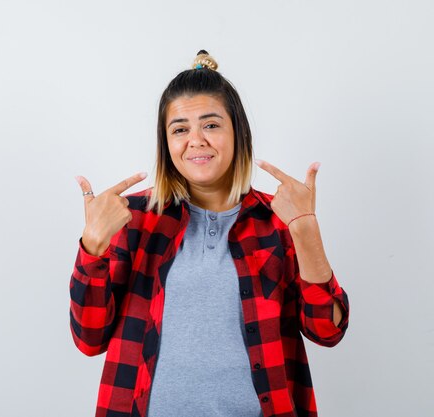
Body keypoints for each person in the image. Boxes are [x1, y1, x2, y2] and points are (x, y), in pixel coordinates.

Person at [69, 50, 349, 417]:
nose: (196, 140)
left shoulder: (279, 219)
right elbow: (89, 340)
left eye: (211, 124)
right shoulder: (131, 218)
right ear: (167, 144)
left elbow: (327, 331)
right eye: (180, 129)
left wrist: (307, 232)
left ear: (238, 133)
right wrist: (92, 246)